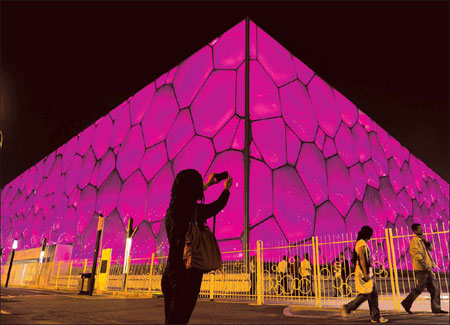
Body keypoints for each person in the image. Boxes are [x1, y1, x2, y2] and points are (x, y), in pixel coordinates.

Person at [161, 170, 232, 324]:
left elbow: (187, 198)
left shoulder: (171, 210)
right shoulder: (195, 212)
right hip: (187, 276)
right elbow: (216, 206)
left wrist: (207, 184)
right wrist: (226, 189)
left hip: (169, 274)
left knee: (171, 320)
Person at [341, 226, 389, 323]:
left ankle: (374, 316)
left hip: (366, 270)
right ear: (369, 234)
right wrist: (365, 274)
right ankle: (349, 307)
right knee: (367, 294)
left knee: (371, 293)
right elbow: (362, 258)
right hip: (364, 271)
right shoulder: (361, 243)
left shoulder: (361, 243)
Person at [401, 223, 448, 314]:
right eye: (419, 229)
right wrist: (425, 265)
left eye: (421, 228)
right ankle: (407, 303)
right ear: (414, 230)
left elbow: (430, 249)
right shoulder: (414, 241)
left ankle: (436, 309)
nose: (421, 230)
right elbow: (417, 255)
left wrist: (426, 242)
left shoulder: (421, 240)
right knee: (420, 288)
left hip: (427, 269)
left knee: (435, 288)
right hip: (422, 269)